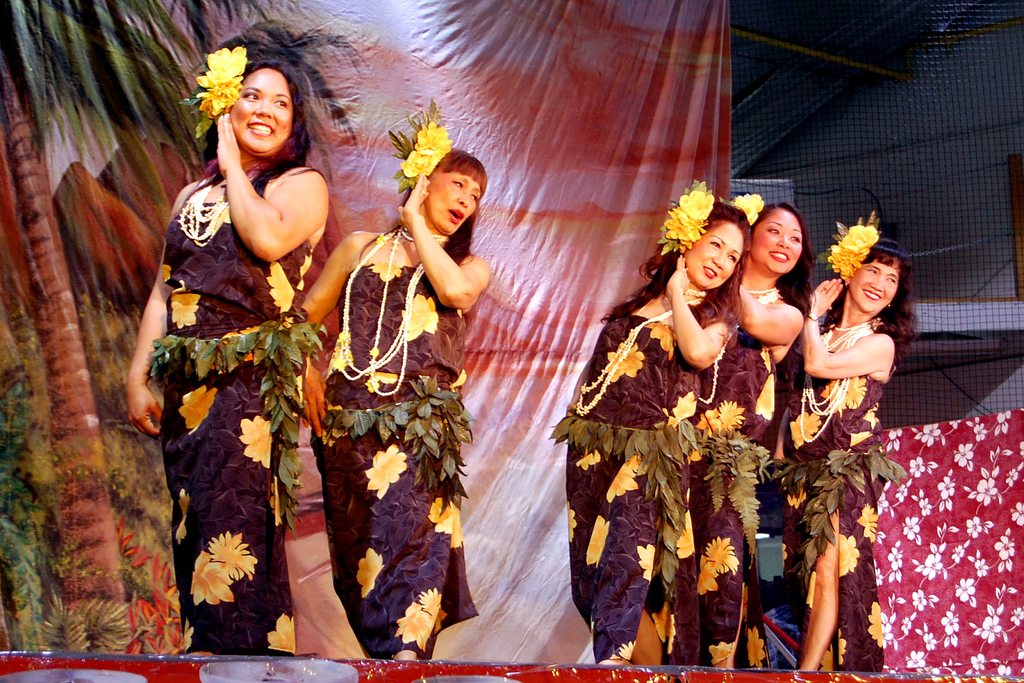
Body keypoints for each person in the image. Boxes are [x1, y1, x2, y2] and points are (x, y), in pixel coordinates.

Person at [126, 51, 330, 654]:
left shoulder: (301, 185)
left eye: (279, 101)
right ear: (225, 105)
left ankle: (247, 656)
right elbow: (166, 288)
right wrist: (139, 374)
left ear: (295, 123)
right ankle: (208, 650)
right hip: (185, 385)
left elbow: (266, 238)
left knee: (235, 522)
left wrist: (233, 161)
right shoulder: (192, 192)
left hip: (247, 381)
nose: (263, 109)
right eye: (251, 96)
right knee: (194, 520)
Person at [302, 136, 490, 659]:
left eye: (475, 196)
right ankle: (392, 663)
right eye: (457, 185)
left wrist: (415, 224)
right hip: (348, 430)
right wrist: (308, 372)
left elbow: (453, 293)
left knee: (414, 544)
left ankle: (405, 659)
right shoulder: (358, 248)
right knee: (360, 555)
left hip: (421, 430)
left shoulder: (470, 266)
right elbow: (303, 318)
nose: (466, 201)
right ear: (425, 180)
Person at [553, 186, 749, 666]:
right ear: (688, 241)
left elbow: (697, 353)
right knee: (596, 577)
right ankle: (648, 674)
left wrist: (680, 295)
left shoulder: (716, 317)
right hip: (594, 452)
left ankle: (613, 668)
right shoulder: (636, 305)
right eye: (715, 245)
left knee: (629, 558)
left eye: (733, 257)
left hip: (651, 457)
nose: (722, 261)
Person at [778, 223, 914, 672]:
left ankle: (805, 673)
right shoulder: (825, 333)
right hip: (805, 474)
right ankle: (815, 667)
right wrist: (781, 453)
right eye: (874, 271)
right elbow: (797, 396)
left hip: (847, 476)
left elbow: (817, 364)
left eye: (891, 280)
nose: (880, 285)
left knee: (828, 573)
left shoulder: (880, 344)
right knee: (807, 578)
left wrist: (812, 313)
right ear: (851, 274)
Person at [689, 202, 812, 667]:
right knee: (689, 574)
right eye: (774, 232)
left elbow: (756, 323)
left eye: (795, 238)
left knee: (766, 577)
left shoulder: (789, 313)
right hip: (690, 459)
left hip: (756, 479)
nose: (784, 243)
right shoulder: (705, 295)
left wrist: (725, 276)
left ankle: (767, 669)